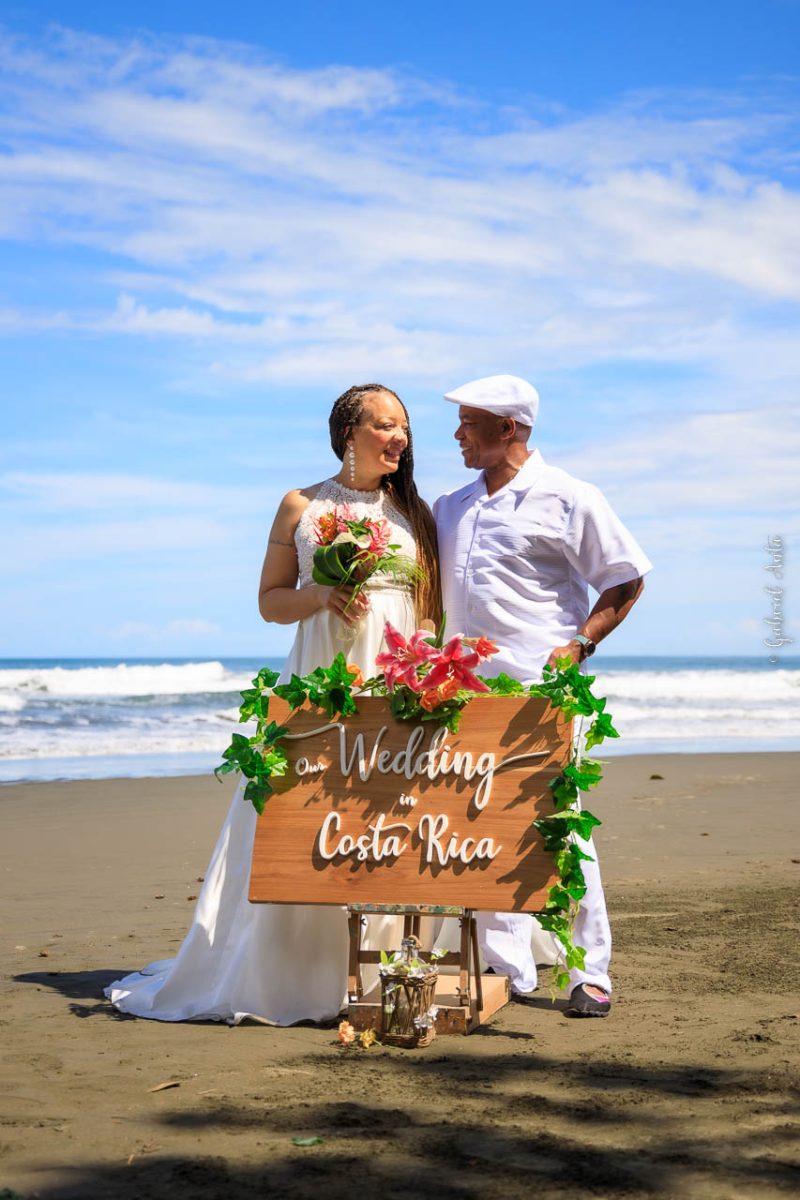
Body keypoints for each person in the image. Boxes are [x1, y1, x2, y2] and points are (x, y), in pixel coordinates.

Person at [105, 383, 440, 1025]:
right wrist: (320, 597)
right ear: (350, 432)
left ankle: (387, 967)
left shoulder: (414, 514)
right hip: (321, 670)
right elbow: (268, 601)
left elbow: (428, 614)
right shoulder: (301, 505)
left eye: (404, 427)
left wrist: (421, 677)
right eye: (386, 425)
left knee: (387, 812)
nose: (400, 437)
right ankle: (291, 972)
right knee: (306, 804)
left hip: (394, 678)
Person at [433, 374, 652, 1017]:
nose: (458, 434)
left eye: (470, 423)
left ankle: (590, 972)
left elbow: (626, 579)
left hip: (542, 691)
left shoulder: (570, 497)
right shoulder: (450, 505)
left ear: (511, 429)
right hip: (465, 694)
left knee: (560, 826)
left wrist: (580, 644)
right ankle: (507, 969)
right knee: (480, 824)